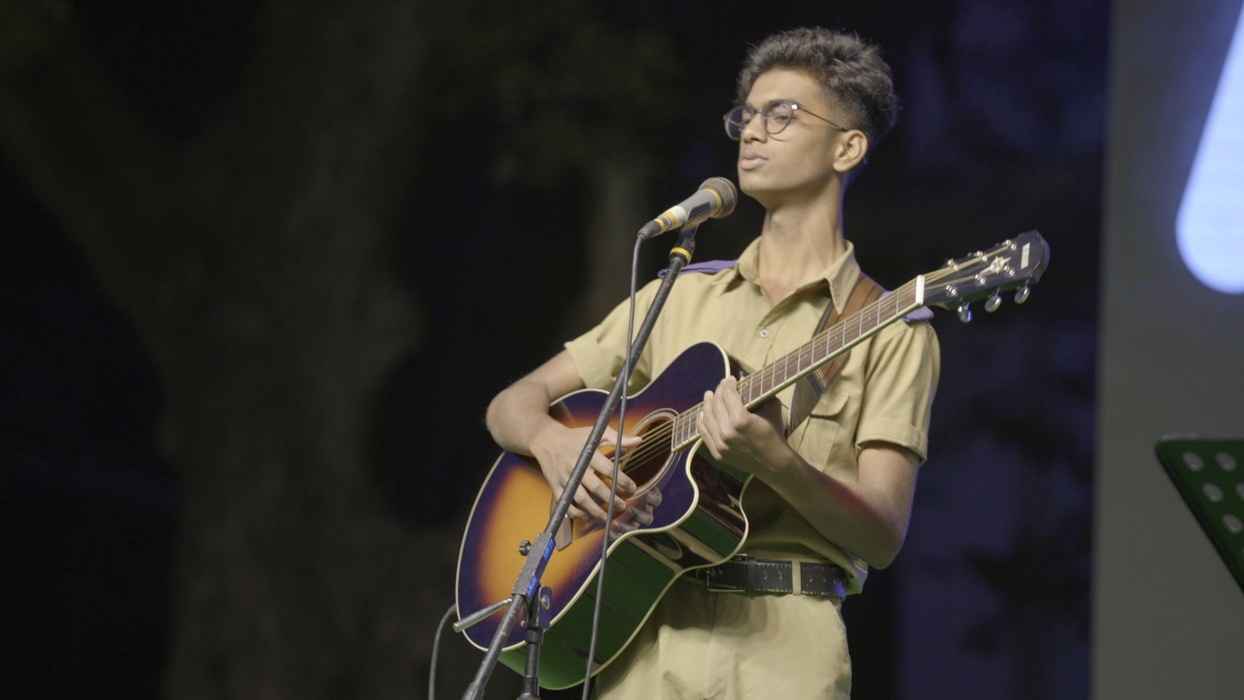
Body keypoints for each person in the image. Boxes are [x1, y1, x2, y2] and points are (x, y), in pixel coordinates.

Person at [484, 27, 940, 700]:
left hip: (783, 653)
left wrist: (776, 463)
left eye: (782, 115)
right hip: (639, 636)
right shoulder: (679, 293)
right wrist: (554, 444)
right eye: (746, 116)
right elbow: (510, 405)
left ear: (847, 147)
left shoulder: (891, 328)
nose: (752, 132)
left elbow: (881, 536)